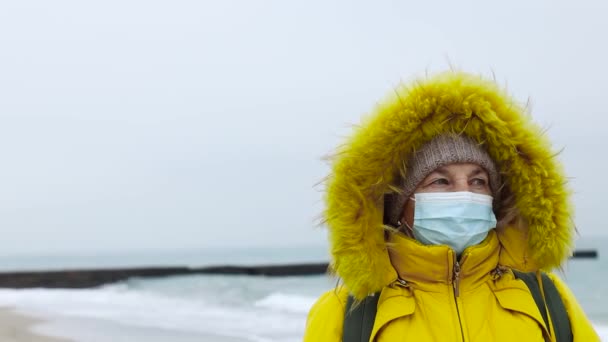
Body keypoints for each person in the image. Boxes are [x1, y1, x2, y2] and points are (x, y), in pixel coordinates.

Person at [303, 72, 599, 341]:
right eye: (441, 182)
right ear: (400, 204)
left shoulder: (547, 300)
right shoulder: (347, 317)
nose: (465, 194)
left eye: (479, 181)